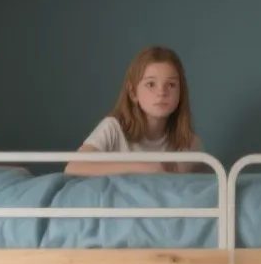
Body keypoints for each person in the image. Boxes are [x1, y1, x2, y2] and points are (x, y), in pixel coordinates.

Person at [66, 46, 205, 175]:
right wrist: (143, 167)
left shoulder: (190, 143)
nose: (161, 92)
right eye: (151, 84)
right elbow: (74, 167)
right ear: (133, 93)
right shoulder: (113, 128)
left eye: (171, 84)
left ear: (181, 92)